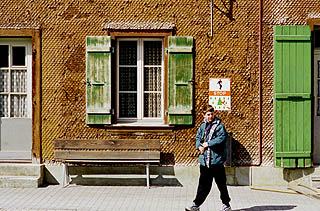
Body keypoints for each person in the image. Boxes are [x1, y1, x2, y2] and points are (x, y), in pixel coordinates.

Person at [186, 105, 231, 211]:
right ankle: (196, 204)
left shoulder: (219, 126)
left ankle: (226, 204)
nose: (210, 116)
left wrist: (208, 144)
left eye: (212, 114)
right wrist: (199, 146)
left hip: (216, 161)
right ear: (204, 115)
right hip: (205, 162)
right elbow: (198, 137)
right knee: (203, 185)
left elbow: (222, 138)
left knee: (221, 184)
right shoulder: (202, 126)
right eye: (208, 114)